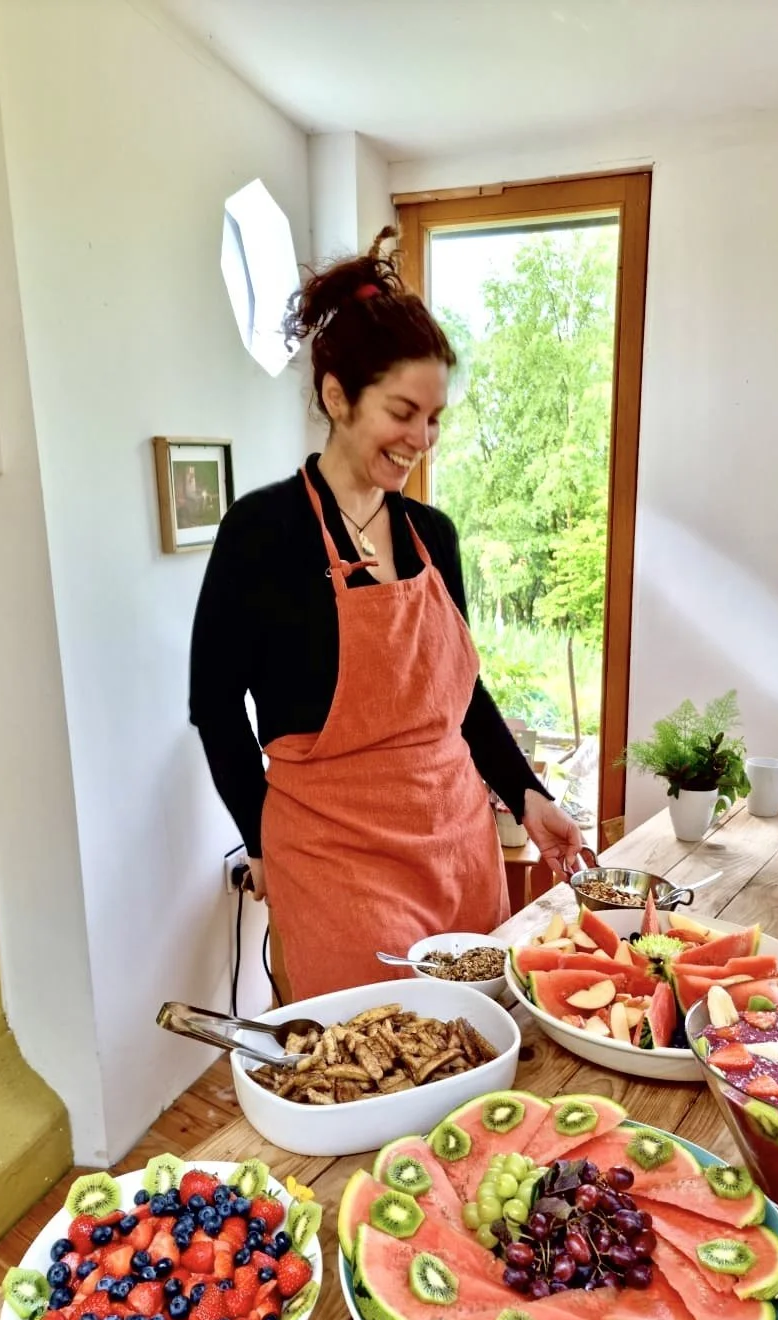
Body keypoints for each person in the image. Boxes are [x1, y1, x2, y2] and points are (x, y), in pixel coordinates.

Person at [189, 229, 583, 1000]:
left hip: (456, 846)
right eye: (403, 411)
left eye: (434, 418)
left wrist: (528, 793)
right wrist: (258, 833)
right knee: (365, 1069)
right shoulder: (262, 531)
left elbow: (460, 697)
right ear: (337, 397)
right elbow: (213, 704)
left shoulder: (431, 536)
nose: (421, 440)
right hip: (335, 860)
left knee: (473, 1056)